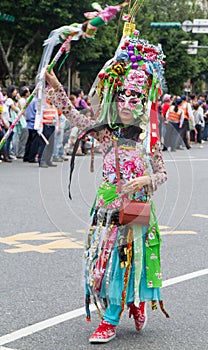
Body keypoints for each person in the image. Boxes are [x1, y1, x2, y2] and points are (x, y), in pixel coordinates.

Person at [45, 33, 169, 343]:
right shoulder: (106, 133)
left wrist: (147, 180)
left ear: (143, 101)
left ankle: (120, 314)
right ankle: (115, 311)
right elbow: (74, 116)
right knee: (103, 261)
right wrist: (56, 87)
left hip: (137, 206)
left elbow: (163, 172)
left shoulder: (147, 138)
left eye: (135, 98)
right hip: (106, 207)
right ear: (115, 98)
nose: (127, 104)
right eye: (123, 97)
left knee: (128, 260)